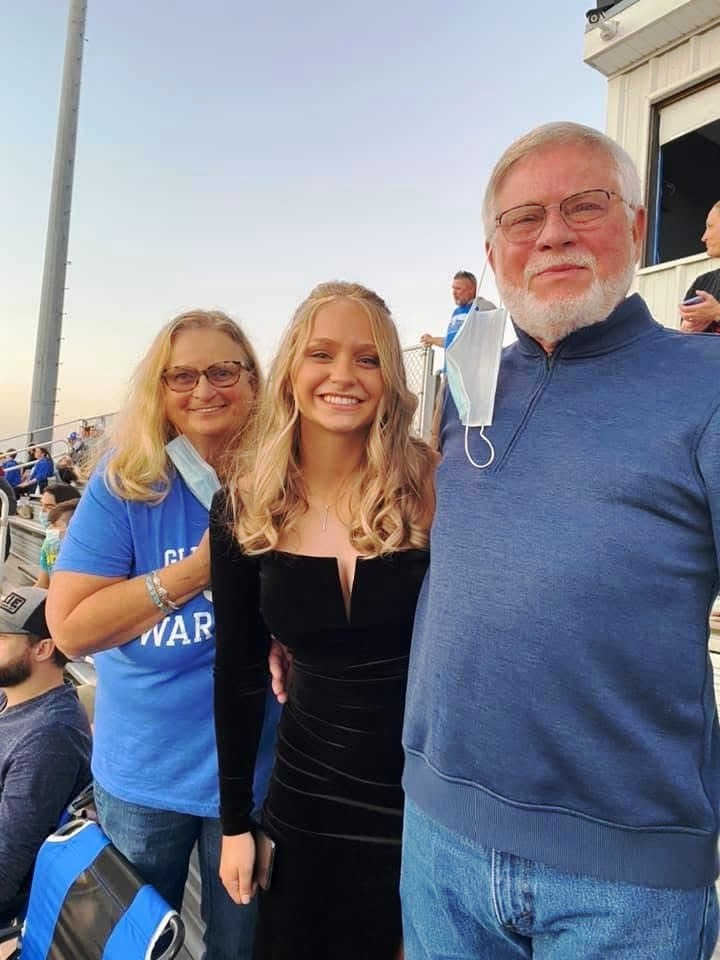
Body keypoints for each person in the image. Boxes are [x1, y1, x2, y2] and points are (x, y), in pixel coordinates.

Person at [401, 122, 720, 960]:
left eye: (585, 206)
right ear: (493, 252)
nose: (552, 234)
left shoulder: (707, 384)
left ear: (636, 227)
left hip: (625, 878)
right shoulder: (466, 387)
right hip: (438, 834)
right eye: (524, 218)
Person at [210, 281, 436, 959]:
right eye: (322, 354)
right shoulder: (246, 503)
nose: (344, 375)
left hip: (429, 808)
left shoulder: (435, 487)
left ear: (390, 378)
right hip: (304, 802)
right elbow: (239, 672)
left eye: (368, 359)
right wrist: (234, 824)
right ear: (291, 370)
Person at [46, 309, 280, 960]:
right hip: (144, 778)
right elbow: (69, 629)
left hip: (258, 777)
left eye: (223, 371)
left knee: (243, 948)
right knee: (130, 948)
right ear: (160, 389)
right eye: (182, 376)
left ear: (253, 381)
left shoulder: (286, 479)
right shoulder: (126, 486)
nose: (203, 389)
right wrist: (197, 571)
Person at [0, 585, 91, 924]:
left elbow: (6, 868)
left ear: (42, 649)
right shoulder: (12, 695)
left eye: (1, 638)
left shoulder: (49, 738)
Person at [420, 270, 495, 353]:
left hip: (470, 360)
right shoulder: (456, 312)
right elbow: (451, 342)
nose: (454, 293)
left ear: (471, 289)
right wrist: (431, 339)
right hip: (451, 361)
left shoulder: (481, 306)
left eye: (458, 289)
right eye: (453, 288)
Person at [679, 200, 720, 334]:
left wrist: (716, 313)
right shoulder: (702, 283)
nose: (704, 237)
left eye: (710, 226)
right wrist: (687, 329)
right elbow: (683, 337)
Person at [34, 497, 80, 589]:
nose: (50, 529)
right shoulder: (50, 546)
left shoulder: (85, 559)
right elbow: (42, 584)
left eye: (55, 525)